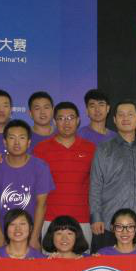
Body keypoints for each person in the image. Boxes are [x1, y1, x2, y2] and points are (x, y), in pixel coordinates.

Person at [89, 100, 136, 251]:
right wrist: (96, 217)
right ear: (114, 119)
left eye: (130, 114)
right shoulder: (104, 149)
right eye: (121, 115)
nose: (125, 118)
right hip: (108, 223)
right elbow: (95, 185)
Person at [33, 101, 96, 246]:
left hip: (82, 220)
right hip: (49, 220)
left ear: (78, 120)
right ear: (55, 122)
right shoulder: (40, 149)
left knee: (81, 260)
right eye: (61, 118)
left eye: (70, 118)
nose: (66, 122)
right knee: (51, 260)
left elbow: (97, 185)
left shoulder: (91, 149)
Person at [0, 119, 54, 250]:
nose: (17, 143)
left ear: (28, 142)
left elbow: (41, 205)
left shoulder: (40, 167)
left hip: (29, 234)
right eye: (12, 138)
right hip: (1, 233)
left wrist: (34, 237)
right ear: (5, 142)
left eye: (22, 138)